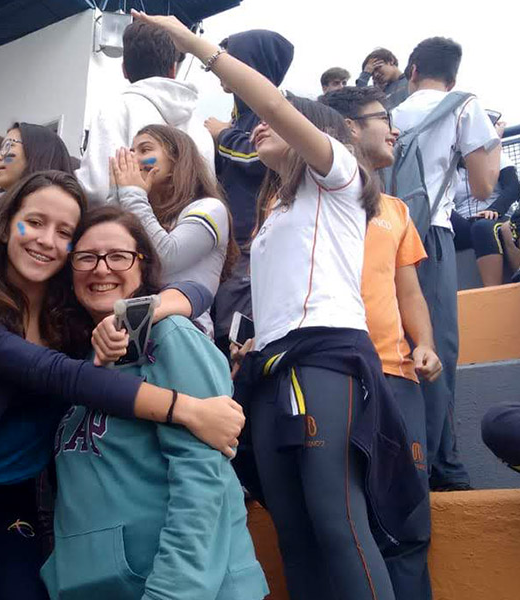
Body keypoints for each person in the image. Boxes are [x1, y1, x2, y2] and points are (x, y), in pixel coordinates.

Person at [132, 10, 424, 600]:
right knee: (293, 531)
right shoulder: (276, 211)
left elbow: (269, 102)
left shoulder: (338, 178)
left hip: (325, 357)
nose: (259, 124)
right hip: (268, 366)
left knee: (337, 518)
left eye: (276, 120)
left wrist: (190, 42)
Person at [0, 170, 244, 600]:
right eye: (34, 223)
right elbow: (61, 376)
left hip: (52, 498)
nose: (46, 241)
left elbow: (197, 289)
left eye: (64, 233)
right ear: (6, 224)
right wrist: (187, 409)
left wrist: (145, 310)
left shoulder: (70, 310)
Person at [42, 206, 268, 600]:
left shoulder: (169, 334)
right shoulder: (76, 363)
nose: (101, 268)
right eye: (86, 257)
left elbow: (202, 480)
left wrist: (172, 593)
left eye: (118, 256)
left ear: (143, 266)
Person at [322, 85, 439, 600]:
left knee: (409, 524)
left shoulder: (396, 209)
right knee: (345, 524)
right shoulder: (310, 198)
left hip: (396, 375)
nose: (394, 131)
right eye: (382, 119)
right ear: (349, 127)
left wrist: (425, 342)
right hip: (334, 375)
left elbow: (407, 290)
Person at [392, 36, 501, 491]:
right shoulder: (464, 106)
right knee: (436, 349)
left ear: (413, 70)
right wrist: (492, 141)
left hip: (385, 234)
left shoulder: (388, 112)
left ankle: (419, 458)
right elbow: (483, 187)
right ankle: (438, 465)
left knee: (400, 344)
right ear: (452, 77)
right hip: (430, 235)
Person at [202, 29, 294, 351]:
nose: (218, 67)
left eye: (228, 58)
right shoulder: (241, 115)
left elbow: (258, 158)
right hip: (229, 243)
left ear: (250, 63)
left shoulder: (273, 112)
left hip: (252, 243)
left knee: (235, 334)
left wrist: (223, 136)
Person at [109, 124, 238, 336]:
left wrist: (132, 194)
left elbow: (166, 258)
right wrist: (115, 194)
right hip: (132, 331)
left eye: (145, 150)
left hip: (183, 333)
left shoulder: (210, 208)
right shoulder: (143, 211)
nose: (133, 159)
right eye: (131, 152)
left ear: (177, 159)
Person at [75, 20, 215, 205]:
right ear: (173, 70)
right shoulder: (199, 127)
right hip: (191, 221)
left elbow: (98, 188)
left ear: (124, 70)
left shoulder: (115, 108)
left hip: (129, 221)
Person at [451, 148, 520, 286]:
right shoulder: (450, 165)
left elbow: (513, 188)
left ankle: (493, 291)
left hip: (496, 217)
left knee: (481, 227)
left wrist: (494, 209)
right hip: (465, 221)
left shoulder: (496, 156)